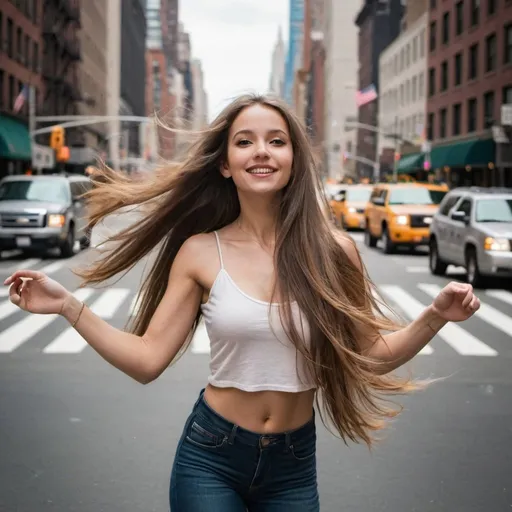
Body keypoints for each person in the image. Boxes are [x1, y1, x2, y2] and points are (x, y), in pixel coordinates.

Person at [3, 95, 480, 511]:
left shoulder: (335, 251)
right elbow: (147, 361)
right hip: (211, 456)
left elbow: (370, 357)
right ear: (226, 163)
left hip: (293, 465)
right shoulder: (199, 252)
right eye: (245, 141)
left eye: (277, 140)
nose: (262, 151)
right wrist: (69, 306)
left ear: (294, 158)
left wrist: (435, 316)